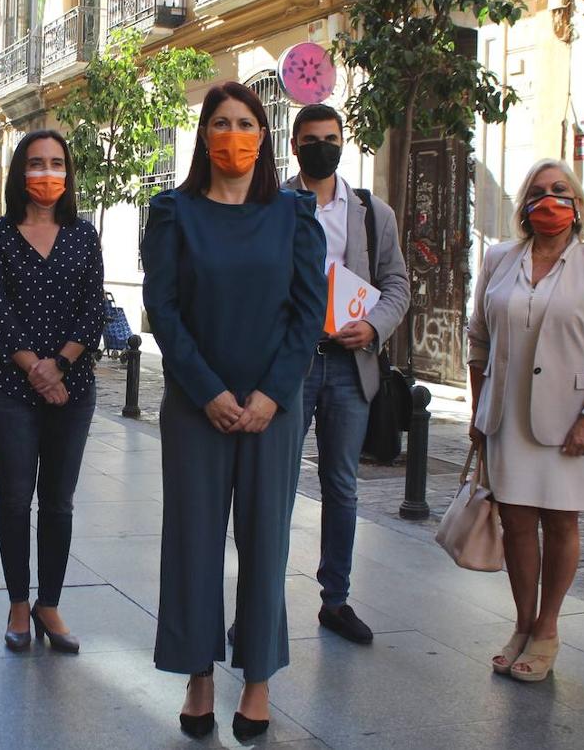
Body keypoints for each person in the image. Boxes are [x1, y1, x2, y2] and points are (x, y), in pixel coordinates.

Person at [143, 82, 326, 741]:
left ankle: (257, 681)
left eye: (245, 122)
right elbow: (162, 310)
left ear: (264, 135)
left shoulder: (294, 215)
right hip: (198, 407)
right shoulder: (173, 212)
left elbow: (308, 315)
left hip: (272, 409)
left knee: (265, 542)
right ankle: (198, 676)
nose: (232, 134)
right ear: (203, 135)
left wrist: (272, 395)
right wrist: (208, 391)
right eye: (220, 123)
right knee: (192, 542)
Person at [466, 158, 584, 682]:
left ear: (578, 204)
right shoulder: (498, 259)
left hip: (572, 422)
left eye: (560, 190)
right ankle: (522, 623)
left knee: (561, 522)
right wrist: (478, 409)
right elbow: (478, 339)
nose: (549, 199)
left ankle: (548, 629)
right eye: (538, 191)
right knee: (516, 523)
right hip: (506, 416)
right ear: (524, 206)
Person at [280, 103, 409, 644]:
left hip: (349, 369)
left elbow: (397, 284)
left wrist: (375, 328)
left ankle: (335, 600)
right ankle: (259, 602)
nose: (322, 146)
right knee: (276, 487)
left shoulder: (372, 213)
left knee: (342, 488)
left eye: (330, 138)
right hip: (291, 366)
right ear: (295, 145)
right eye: (311, 139)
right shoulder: (272, 207)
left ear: (342, 143)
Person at [0, 130, 104, 655]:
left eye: (56, 164)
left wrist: (62, 365)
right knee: (14, 498)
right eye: (35, 163)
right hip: (9, 388)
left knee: (59, 502)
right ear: (19, 172)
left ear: (68, 174)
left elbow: (92, 309)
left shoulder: (84, 235)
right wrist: (36, 370)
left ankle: (49, 602)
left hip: (73, 390)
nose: (47, 173)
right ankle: (18, 605)